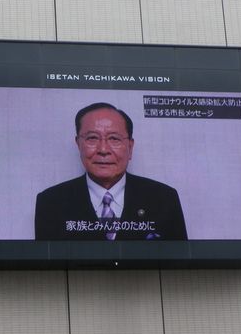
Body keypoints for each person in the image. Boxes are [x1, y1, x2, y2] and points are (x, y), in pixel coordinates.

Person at [35, 102, 187, 240]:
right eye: (92, 138)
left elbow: (180, 266)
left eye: (114, 139)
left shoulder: (164, 199)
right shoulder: (51, 203)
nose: (103, 150)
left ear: (130, 147)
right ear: (78, 144)